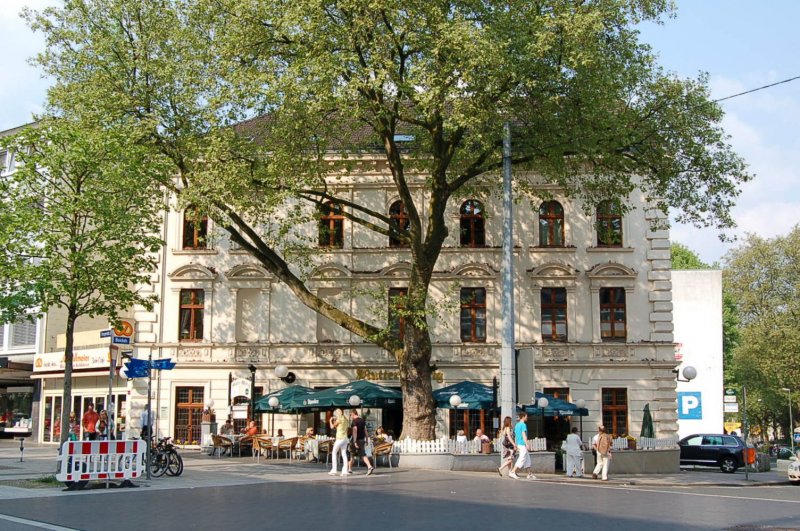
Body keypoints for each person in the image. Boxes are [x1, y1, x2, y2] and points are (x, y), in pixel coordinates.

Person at [509, 411, 536, 480]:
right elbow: (524, 435)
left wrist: (516, 445)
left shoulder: (517, 425)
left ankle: (529, 474)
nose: (527, 417)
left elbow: (515, 436)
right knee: (522, 458)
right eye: (526, 416)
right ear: (523, 417)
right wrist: (527, 444)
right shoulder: (523, 425)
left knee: (527, 459)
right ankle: (512, 472)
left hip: (519, 444)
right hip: (522, 444)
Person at [349, 410, 375, 475]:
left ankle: (349, 469)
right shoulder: (362, 421)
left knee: (351, 454)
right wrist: (366, 439)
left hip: (356, 440)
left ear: (353, 414)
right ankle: (369, 466)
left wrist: (354, 441)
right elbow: (365, 430)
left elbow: (355, 431)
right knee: (363, 454)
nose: (350, 417)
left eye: (350, 415)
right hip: (362, 440)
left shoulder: (354, 421)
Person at [328, 408, 350, 476]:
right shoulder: (345, 419)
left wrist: (330, 421)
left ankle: (334, 470)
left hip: (340, 438)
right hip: (345, 438)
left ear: (337, 414)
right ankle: (345, 470)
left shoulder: (339, 419)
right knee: (344, 453)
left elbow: (332, 427)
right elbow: (340, 427)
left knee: (334, 452)